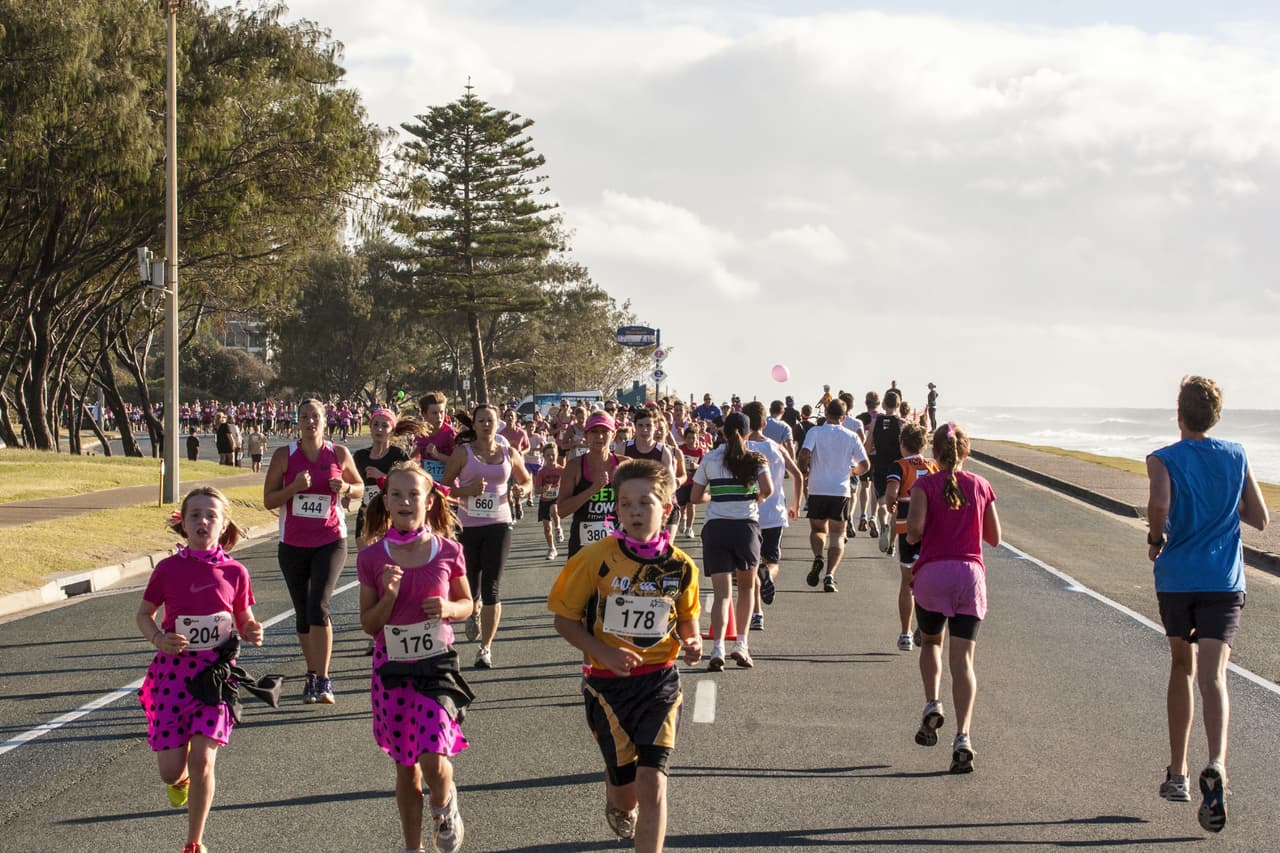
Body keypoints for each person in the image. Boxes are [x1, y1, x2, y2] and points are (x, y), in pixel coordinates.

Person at [548, 459, 702, 853]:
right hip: (607, 688)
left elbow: (686, 618)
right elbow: (563, 620)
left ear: (666, 508)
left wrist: (692, 640)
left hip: (660, 684)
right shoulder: (594, 557)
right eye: (626, 504)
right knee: (626, 793)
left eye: (645, 503)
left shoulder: (681, 566)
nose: (635, 511)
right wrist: (602, 651)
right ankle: (617, 798)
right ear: (616, 509)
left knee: (653, 783)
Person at [1145, 376, 1269, 832]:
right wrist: (1221, 502)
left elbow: (1159, 504)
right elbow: (1259, 518)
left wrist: (1156, 538)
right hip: (1222, 579)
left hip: (1178, 577)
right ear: (1216, 416)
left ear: (1179, 414)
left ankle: (1178, 774)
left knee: (1182, 667)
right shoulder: (1236, 456)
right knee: (1215, 675)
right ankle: (1216, 763)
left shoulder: (1163, 459)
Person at [135, 488, 279, 853]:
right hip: (172, 676)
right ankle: (178, 779)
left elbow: (243, 617)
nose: (203, 521)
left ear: (224, 523)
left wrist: (252, 630)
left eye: (211, 515)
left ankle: (194, 842)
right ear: (183, 523)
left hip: (214, 677)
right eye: (195, 515)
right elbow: (144, 614)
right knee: (171, 770)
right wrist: (157, 638)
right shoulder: (168, 569)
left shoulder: (235, 571)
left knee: (202, 760)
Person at [358, 461, 475, 853]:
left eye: (414, 494)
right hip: (391, 670)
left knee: (433, 758)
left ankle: (444, 804)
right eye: (396, 494)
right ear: (386, 501)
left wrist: (447, 607)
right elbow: (369, 624)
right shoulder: (373, 558)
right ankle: (413, 847)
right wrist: (389, 596)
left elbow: (467, 604)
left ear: (429, 502)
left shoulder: (449, 550)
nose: (405, 501)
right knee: (405, 766)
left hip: (436, 665)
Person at [905, 422, 1000, 775]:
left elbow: (913, 532)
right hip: (969, 576)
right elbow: (994, 537)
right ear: (966, 451)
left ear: (934, 453)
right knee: (964, 662)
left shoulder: (924, 485)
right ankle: (963, 737)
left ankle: (932, 703)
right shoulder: (981, 485)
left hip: (933, 574)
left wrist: (916, 535)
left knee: (930, 641)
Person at [263, 397, 364, 704]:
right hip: (292, 544)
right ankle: (311, 675)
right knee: (303, 612)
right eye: (304, 416)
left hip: (330, 540)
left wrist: (346, 489)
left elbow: (360, 486)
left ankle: (323, 678)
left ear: (325, 420)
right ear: (297, 421)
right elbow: (268, 500)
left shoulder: (339, 453)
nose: (309, 422)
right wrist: (293, 488)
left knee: (319, 605)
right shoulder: (285, 455)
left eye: (315, 417)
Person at [443, 404, 532, 669]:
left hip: (499, 524)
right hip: (467, 526)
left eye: (490, 420)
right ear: (474, 425)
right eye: (480, 420)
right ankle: (475, 607)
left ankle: (485, 649)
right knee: (470, 584)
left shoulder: (509, 452)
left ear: (497, 424)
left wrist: (522, 492)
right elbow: (444, 488)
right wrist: (467, 490)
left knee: (492, 585)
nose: (485, 424)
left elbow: (527, 481)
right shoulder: (462, 453)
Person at [690, 412, 772, 670]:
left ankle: (717, 648)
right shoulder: (756, 458)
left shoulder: (710, 458)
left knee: (721, 594)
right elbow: (767, 489)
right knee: (746, 589)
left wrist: (714, 496)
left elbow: (695, 496)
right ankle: (741, 644)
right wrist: (754, 498)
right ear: (748, 433)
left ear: (723, 433)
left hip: (716, 528)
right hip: (745, 528)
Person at [797, 399, 870, 593]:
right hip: (840, 490)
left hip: (817, 488)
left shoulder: (815, 432)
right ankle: (830, 575)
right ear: (844, 417)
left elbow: (804, 453)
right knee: (838, 534)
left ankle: (819, 556)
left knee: (818, 530)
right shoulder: (851, 436)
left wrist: (804, 470)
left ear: (826, 414)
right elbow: (865, 465)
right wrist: (852, 472)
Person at [745, 401, 803, 631]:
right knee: (772, 562)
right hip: (774, 513)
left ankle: (757, 613)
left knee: (751, 566)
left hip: (748, 513)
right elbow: (797, 475)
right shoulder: (776, 447)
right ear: (765, 423)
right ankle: (768, 575)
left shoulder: (742, 448)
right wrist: (796, 505)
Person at [883, 423, 937, 651]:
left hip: (906, 528)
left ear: (902, 444)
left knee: (907, 581)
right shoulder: (933, 466)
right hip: (932, 529)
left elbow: (892, 493)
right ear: (924, 445)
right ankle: (926, 626)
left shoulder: (899, 466)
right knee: (930, 579)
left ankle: (905, 633)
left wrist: (890, 505)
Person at [557, 412, 622, 558]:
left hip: (616, 548)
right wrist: (592, 490)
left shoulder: (624, 465)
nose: (599, 437)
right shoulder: (574, 467)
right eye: (594, 432)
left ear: (613, 435)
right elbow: (561, 511)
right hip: (582, 548)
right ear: (586, 435)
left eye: (604, 432)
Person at [868, 389, 904, 553]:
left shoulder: (876, 421)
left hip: (881, 464)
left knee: (882, 502)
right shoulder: (902, 423)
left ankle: (884, 525)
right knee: (896, 505)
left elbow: (868, 446)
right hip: (898, 466)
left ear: (883, 404)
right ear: (898, 405)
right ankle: (892, 544)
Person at [535, 442, 566, 559]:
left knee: (554, 509)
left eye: (553, 455)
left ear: (557, 454)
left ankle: (558, 528)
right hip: (544, 500)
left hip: (557, 499)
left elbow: (568, 485)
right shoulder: (541, 472)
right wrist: (543, 489)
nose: (551, 458)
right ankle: (552, 548)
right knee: (547, 528)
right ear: (544, 456)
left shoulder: (562, 470)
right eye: (548, 455)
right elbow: (536, 490)